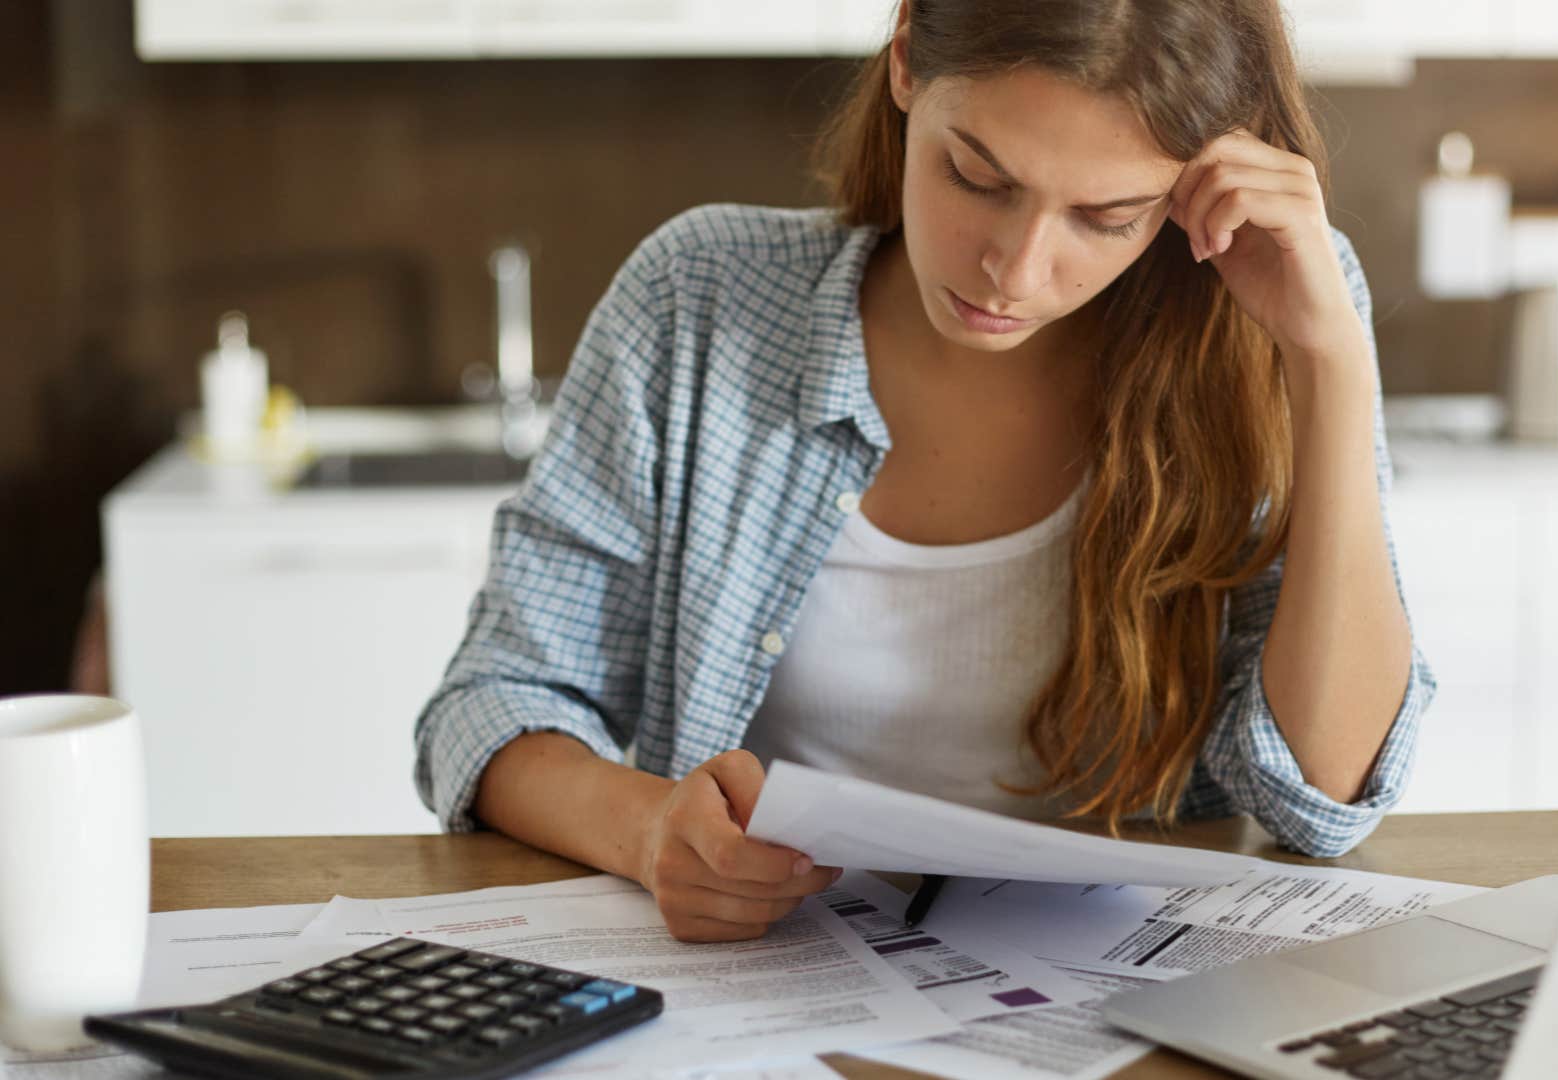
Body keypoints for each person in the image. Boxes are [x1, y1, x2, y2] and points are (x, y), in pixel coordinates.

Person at [414, 0, 1434, 943]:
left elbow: (1323, 796)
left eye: (1107, 217)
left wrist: (1327, 360)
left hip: (1123, 1009)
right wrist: (647, 830)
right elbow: (493, 702)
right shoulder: (701, 299)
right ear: (906, 55)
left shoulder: (1262, 330)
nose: (1017, 268)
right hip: (777, 984)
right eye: (979, 179)